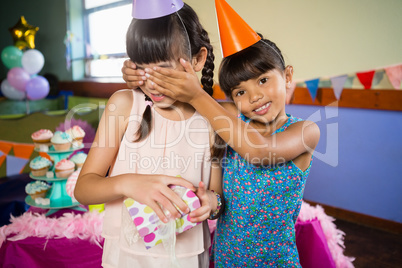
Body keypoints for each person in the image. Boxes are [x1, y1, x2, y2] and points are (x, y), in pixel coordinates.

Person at [121, 0, 320, 266]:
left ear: (287, 76)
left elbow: (259, 149)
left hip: (276, 262)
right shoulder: (228, 124)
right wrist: (140, 73)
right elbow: (221, 203)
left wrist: (196, 93)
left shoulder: (305, 130)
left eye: (263, 80)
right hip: (225, 260)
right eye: (240, 91)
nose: (255, 96)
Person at [75, 2, 223, 268]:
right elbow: (84, 189)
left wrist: (210, 202)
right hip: (125, 256)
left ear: (198, 59)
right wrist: (127, 183)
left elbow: (216, 199)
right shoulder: (123, 105)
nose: (152, 83)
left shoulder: (213, 122)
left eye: (163, 69)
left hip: (186, 258)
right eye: (142, 67)